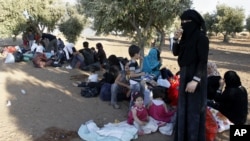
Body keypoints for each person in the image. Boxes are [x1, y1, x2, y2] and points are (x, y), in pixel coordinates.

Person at [172, 9, 209, 141]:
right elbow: (175, 53)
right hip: (185, 74)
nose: (183, 24)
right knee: (183, 108)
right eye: (182, 21)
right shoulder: (185, 38)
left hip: (196, 78)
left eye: (187, 21)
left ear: (194, 22)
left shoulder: (202, 38)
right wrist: (175, 39)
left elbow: (203, 61)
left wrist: (195, 80)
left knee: (193, 110)